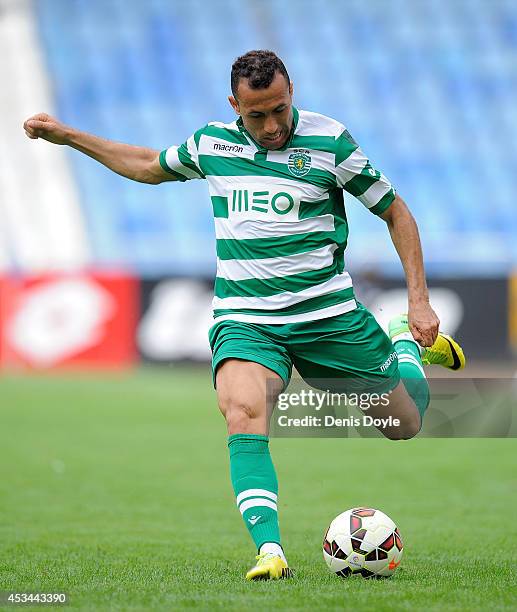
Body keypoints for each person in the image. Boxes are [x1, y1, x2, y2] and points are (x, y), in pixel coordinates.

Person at [23, 49, 465, 581]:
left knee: (404, 424)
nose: (272, 125)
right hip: (247, 320)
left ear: (291, 92)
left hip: (328, 318)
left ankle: (404, 345)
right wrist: (69, 136)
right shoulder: (212, 143)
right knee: (242, 411)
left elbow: (396, 211)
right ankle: (270, 551)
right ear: (235, 105)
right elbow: (147, 164)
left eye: (279, 109)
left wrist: (416, 302)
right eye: (257, 116)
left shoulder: (330, 142)